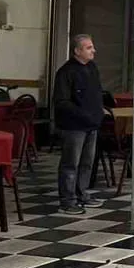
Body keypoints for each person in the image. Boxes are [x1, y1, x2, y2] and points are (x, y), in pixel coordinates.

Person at [53, 34, 106, 214]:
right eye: (89, 48)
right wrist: (83, 114)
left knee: (86, 163)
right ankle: (67, 201)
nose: (93, 51)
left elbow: (97, 93)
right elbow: (62, 101)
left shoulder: (92, 68)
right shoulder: (66, 72)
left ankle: (81, 193)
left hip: (91, 125)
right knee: (70, 163)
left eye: (92, 47)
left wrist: (99, 112)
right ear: (77, 51)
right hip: (73, 126)